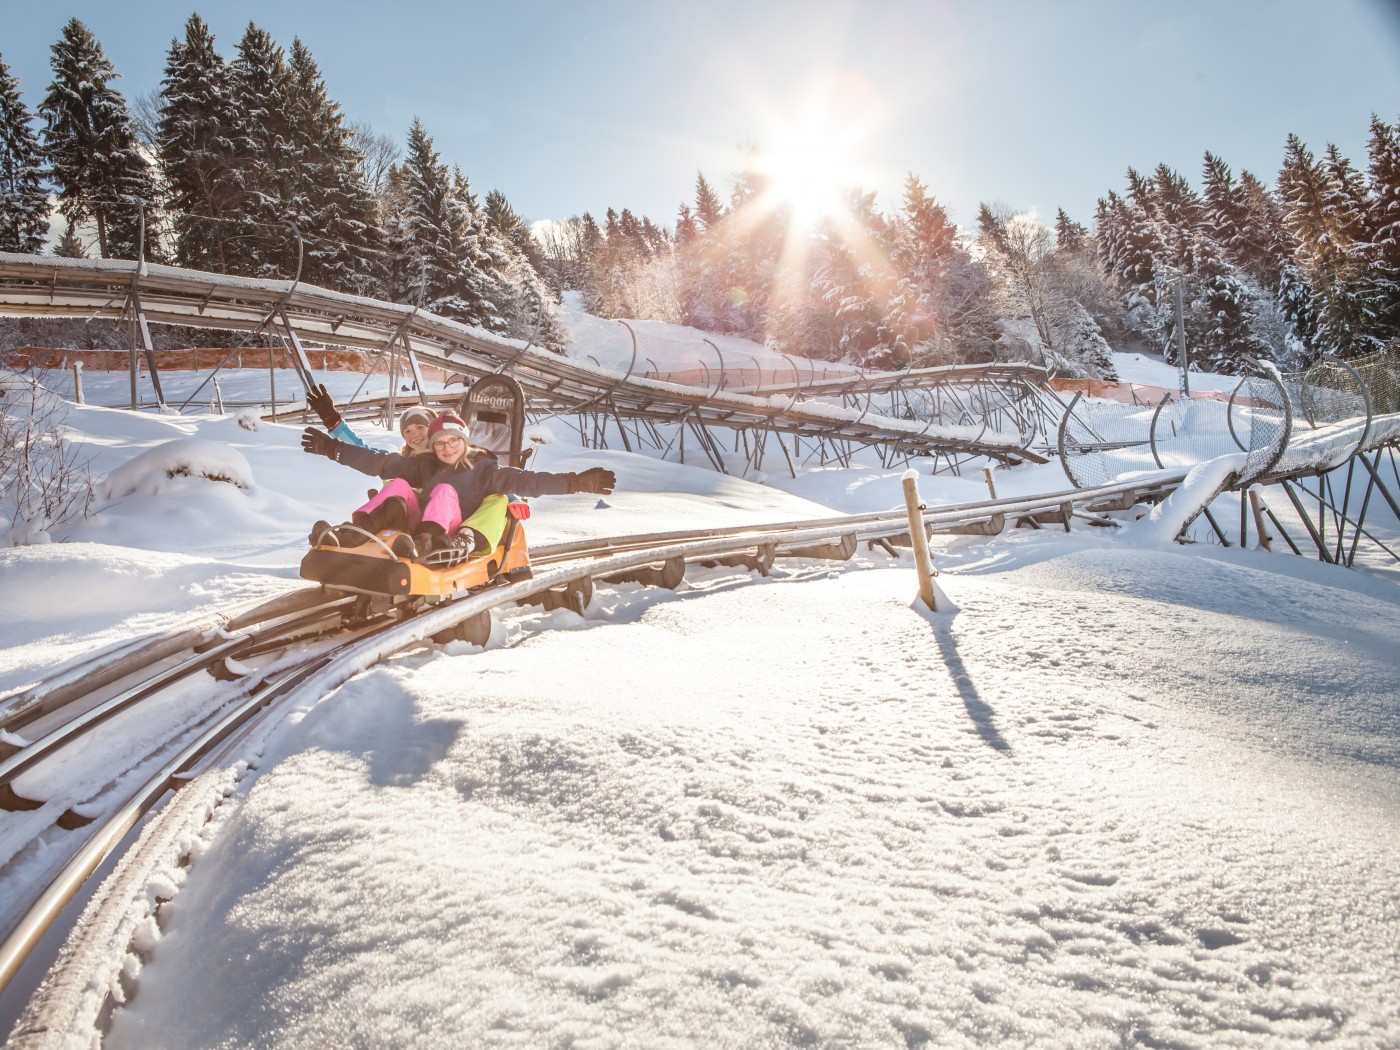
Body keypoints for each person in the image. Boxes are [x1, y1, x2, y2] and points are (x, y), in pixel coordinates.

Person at [302, 412, 615, 563]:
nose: (447, 448)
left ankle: (426, 544)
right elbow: (379, 462)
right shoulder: (424, 466)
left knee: (443, 492)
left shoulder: (483, 469)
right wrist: (334, 449)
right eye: (440, 443)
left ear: (464, 442)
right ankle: (355, 534)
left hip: (448, 535)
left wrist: (575, 482)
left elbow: (527, 481)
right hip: (417, 529)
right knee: (397, 481)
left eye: (454, 441)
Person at [306, 383, 434, 457]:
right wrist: (332, 419)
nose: (414, 435)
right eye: (407, 431)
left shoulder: (449, 458)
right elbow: (364, 454)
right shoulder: (399, 464)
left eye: (420, 427)